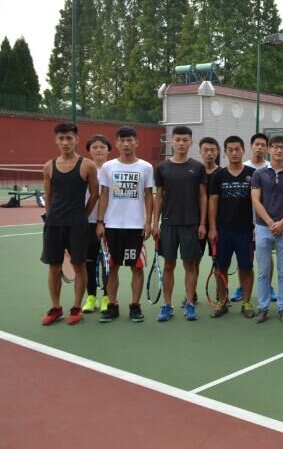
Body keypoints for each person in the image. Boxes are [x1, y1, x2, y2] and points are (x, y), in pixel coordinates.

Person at [40, 123, 99, 325]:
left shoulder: (87, 165)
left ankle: (76, 308)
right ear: (56, 140)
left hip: (78, 225)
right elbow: (48, 195)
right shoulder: (48, 166)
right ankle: (56, 308)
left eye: (69, 138)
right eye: (61, 138)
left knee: (79, 265)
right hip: (54, 225)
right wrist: (50, 217)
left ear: (77, 140)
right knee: (54, 267)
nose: (65, 142)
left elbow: (95, 194)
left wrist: (83, 215)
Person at [97, 127, 154, 323]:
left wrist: (148, 222)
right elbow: (104, 195)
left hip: (135, 228)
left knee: (136, 268)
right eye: (122, 141)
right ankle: (112, 306)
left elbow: (148, 195)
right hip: (112, 227)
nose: (126, 144)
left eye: (130, 140)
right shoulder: (108, 167)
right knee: (112, 268)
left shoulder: (146, 167)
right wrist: (100, 222)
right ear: (117, 143)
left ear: (136, 142)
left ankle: (135, 306)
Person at [152, 126, 207, 322]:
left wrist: (202, 223)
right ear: (172, 142)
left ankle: (190, 303)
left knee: (189, 265)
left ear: (191, 142)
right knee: (169, 265)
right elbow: (158, 196)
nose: (181, 143)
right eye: (178, 140)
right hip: (168, 225)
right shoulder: (162, 168)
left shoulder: (198, 168)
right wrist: (155, 223)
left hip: (191, 224)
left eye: (185, 140)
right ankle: (167, 305)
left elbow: (202, 196)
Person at [252, 135, 283, 323]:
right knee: (263, 271)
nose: (279, 150)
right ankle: (263, 308)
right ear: (269, 149)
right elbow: (255, 200)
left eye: (282, 147)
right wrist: (270, 222)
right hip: (262, 228)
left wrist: (281, 223)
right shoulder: (259, 174)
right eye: (275, 147)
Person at [208, 136, 256, 319]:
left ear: (243, 151)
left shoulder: (253, 174)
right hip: (223, 231)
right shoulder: (218, 175)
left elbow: (258, 202)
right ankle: (222, 301)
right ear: (225, 152)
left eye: (237, 149)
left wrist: (256, 227)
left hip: (246, 231)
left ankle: (246, 302)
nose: (234, 153)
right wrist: (213, 228)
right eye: (230, 150)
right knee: (221, 268)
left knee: (246, 268)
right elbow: (213, 202)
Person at [229, 133, 268, 303]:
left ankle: (268, 286)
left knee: (266, 256)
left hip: (264, 222)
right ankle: (241, 287)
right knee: (244, 260)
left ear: (267, 148)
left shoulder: (269, 168)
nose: (259, 147)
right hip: (244, 223)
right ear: (251, 147)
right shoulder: (242, 167)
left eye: (263, 145)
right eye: (256, 144)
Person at [187, 136, 221, 306]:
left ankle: (221, 295)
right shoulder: (194, 172)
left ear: (217, 152)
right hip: (197, 224)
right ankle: (191, 294)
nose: (209, 153)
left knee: (219, 262)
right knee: (194, 260)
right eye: (205, 150)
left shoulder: (222, 173)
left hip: (218, 225)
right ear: (200, 151)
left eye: (212, 150)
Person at [82, 134, 110, 314]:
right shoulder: (84, 169)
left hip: (109, 223)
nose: (99, 150)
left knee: (108, 264)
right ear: (89, 151)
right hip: (88, 223)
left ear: (108, 150)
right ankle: (91, 297)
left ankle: (107, 297)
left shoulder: (113, 169)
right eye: (94, 147)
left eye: (102, 147)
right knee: (89, 263)